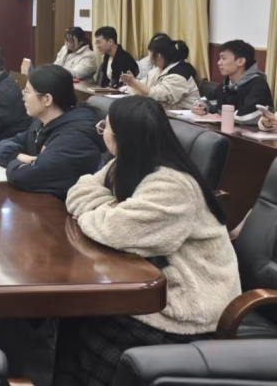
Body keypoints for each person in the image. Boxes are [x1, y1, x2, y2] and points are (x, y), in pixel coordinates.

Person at [54, 96, 240, 386]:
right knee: (75, 314)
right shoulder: (124, 164)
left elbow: (113, 230)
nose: (101, 132)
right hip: (152, 277)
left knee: (86, 317)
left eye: (105, 127)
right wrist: (111, 209)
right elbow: (78, 191)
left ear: (123, 138)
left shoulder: (172, 184)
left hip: (188, 303)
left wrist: (106, 213)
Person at [0, 65, 104, 199]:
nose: (23, 96)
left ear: (47, 99)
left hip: (66, 208)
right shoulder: (42, 122)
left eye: (28, 91)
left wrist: (15, 163)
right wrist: (21, 157)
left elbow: (23, 177)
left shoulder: (75, 138)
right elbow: (3, 145)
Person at [194, 39, 273, 124]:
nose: (219, 63)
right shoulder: (226, 84)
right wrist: (202, 107)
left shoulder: (258, 84)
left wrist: (223, 115)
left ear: (240, 61)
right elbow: (207, 101)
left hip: (246, 132)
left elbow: (246, 116)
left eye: (223, 58)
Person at [120, 35, 200, 109]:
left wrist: (134, 82)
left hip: (183, 117)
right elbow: (144, 85)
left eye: (150, 53)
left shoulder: (179, 75)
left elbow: (158, 95)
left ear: (158, 56)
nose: (149, 57)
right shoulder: (159, 69)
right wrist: (131, 83)